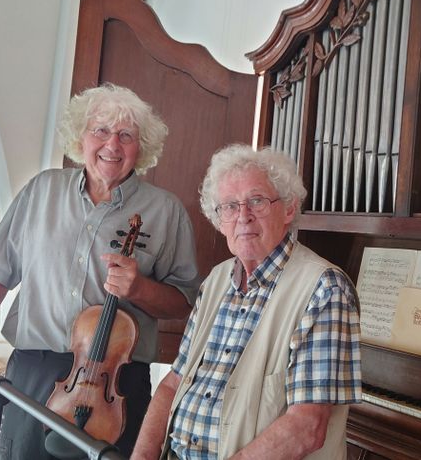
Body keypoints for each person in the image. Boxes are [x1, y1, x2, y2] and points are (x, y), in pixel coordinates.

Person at [0, 84, 200, 459]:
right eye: (100, 130)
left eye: (126, 136)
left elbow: (184, 301)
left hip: (118, 387)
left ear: (141, 149)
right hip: (32, 372)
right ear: (80, 137)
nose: (112, 145)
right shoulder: (41, 191)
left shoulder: (166, 211)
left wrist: (140, 289)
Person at [132, 144, 361, 460]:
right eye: (229, 206)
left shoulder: (324, 289)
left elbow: (307, 427)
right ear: (219, 218)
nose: (243, 216)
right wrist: (142, 455)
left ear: (290, 208)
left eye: (257, 201)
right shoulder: (216, 280)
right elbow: (173, 384)